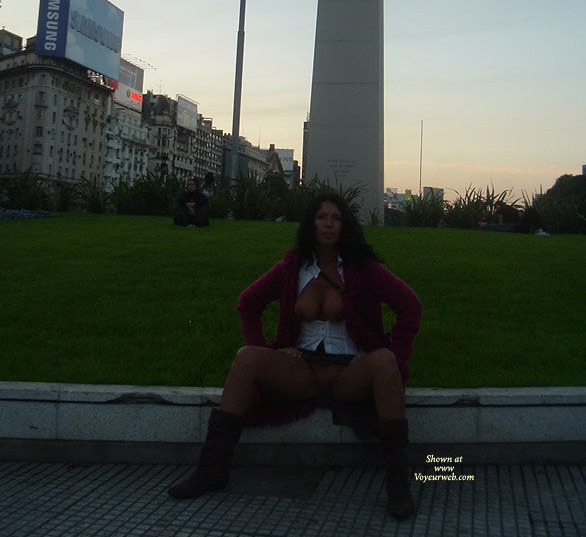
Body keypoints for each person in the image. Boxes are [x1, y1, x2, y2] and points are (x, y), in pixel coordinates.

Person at [168, 191, 423, 519]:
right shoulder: (292, 268)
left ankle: (398, 485)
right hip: (303, 368)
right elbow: (248, 304)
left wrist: (397, 356)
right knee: (246, 357)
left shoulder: (363, 269)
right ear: (310, 224)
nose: (328, 225)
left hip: (350, 371)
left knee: (385, 361)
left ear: (344, 225)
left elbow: (410, 306)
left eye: (336, 218)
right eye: (321, 217)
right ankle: (211, 469)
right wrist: (267, 349)